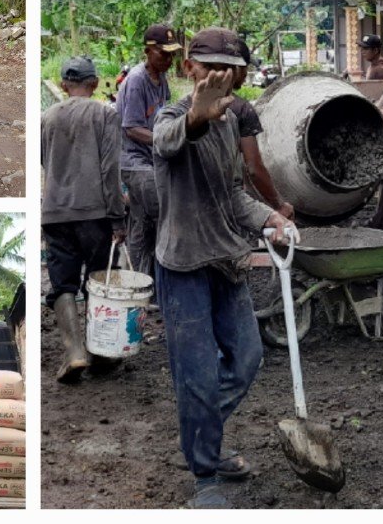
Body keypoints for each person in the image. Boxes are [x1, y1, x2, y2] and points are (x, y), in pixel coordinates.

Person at [153, 27, 293, 509]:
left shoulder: (233, 121)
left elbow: (233, 191)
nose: (220, 77)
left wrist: (270, 215)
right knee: (196, 374)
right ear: (189, 68)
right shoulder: (172, 115)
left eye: (229, 69)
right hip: (184, 265)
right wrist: (195, 117)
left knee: (248, 358)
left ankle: (201, 433)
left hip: (226, 260)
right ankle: (205, 473)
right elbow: (167, 143)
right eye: (209, 66)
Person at [41, 56, 126, 383]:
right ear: (95, 83)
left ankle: (74, 351)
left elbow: (43, 161)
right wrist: (117, 217)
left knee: (63, 282)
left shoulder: (46, 117)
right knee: (100, 279)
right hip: (95, 213)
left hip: (54, 212)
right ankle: (102, 352)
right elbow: (109, 169)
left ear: (63, 86)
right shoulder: (105, 114)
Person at [116, 23, 182, 274]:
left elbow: (164, 115)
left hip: (150, 159)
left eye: (171, 54)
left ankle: (139, 277)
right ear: (148, 50)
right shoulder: (136, 81)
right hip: (133, 161)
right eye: (163, 54)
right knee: (160, 214)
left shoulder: (161, 79)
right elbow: (131, 128)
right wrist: (164, 140)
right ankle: (156, 275)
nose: (168, 59)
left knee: (141, 222)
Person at [230, 40, 295, 219]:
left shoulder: (183, 110)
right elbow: (253, 168)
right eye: (244, 68)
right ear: (235, 68)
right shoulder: (241, 110)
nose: (245, 75)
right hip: (229, 203)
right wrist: (279, 205)